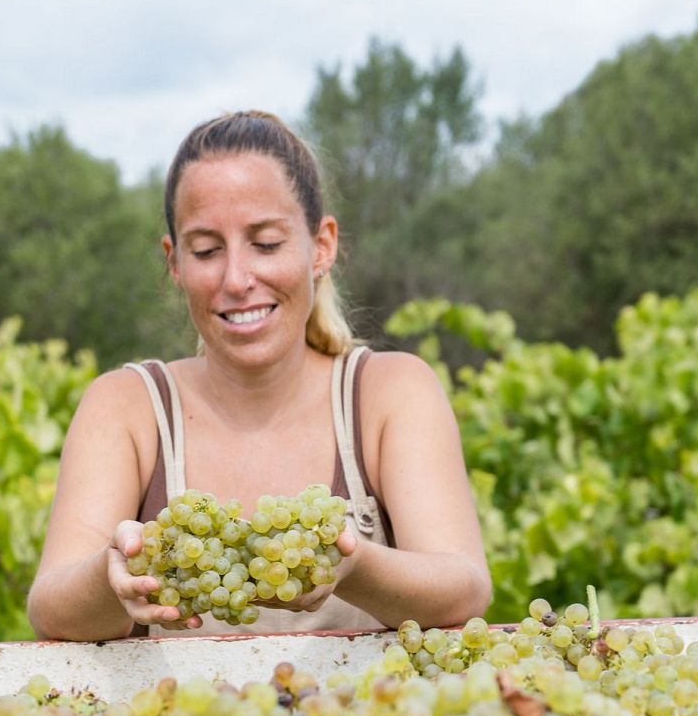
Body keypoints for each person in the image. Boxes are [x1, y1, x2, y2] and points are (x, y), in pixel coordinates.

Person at [27, 111, 489, 641]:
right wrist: (110, 580)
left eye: (266, 243)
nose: (237, 279)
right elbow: (51, 609)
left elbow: (465, 587)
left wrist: (353, 566)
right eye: (205, 251)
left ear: (322, 246)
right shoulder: (125, 405)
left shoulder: (391, 393)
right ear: (174, 262)